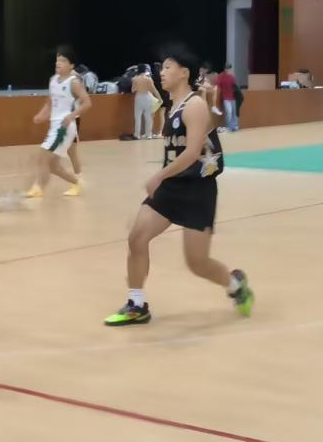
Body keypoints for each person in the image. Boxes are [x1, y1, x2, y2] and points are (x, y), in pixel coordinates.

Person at [104, 44, 254, 326]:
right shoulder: (173, 106)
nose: (162, 72)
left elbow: (193, 151)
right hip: (172, 187)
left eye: (168, 67)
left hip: (197, 191)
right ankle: (137, 304)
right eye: (162, 67)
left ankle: (235, 285)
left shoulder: (194, 106)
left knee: (197, 263)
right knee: (137, 238)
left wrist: (158, 175)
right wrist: (164, 178)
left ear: (184, 73)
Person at [26, 46, 92, 198]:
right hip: (54, 125)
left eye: (62, 60)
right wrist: (42, 115)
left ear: (71, 65)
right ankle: (76, 183)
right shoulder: (53, 80)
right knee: (53, 165)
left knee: (42, 157)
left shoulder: (73, 82)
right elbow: (50, 102)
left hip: (64, 127)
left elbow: (87, 102)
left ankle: (38, 189)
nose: (58, 63)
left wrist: (72, 115)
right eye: (57, 60)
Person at [132, 64, 162, 140]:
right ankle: (149, 135)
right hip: (147, 97)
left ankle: (137, 135)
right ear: (145, 70)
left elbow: (133, 90)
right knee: (148, 117)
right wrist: (160, 98)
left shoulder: (135, 79)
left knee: (137, 117)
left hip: (139, 97)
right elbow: (154, 90)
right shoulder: (149, 79)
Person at [216, 63, 240, 132]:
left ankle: (235, 126)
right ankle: (229, 127)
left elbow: (235, 87)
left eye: (229, 69)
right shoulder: (221, 76)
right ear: (225, 69)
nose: (228, 70)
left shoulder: (232, 77)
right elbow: (218, 86)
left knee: (234, 113)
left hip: (233, 98)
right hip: (226, 98)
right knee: (229, 112)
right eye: (227, 68)